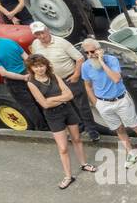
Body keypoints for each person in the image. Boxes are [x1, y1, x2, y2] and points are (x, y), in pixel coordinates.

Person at [80, 37, 137, 164]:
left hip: (120, 101)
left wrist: (101, 61)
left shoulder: (111, 60)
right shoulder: (85, 66)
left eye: (92, 51)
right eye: (87, 53)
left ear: (99, 50)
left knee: (136, 127)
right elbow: (87, 85)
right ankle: (130, 153)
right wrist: (96, 102)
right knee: (119, 130)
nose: (90, 55)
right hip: (103, 104)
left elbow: (116, 78)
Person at [22, 54, 93, 191]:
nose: (40, 69)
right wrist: (61, 99)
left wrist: (52, 99)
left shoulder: (54, 76)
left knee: (77, 139)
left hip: (68, 110)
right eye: (36, 67)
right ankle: (68, 176)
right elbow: (44, 104)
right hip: (53, 116)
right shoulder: (31, 83)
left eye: (42, 65)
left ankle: (84, 164)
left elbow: (70, 95)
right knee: (63, 148)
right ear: (31, 68)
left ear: (46, 65)